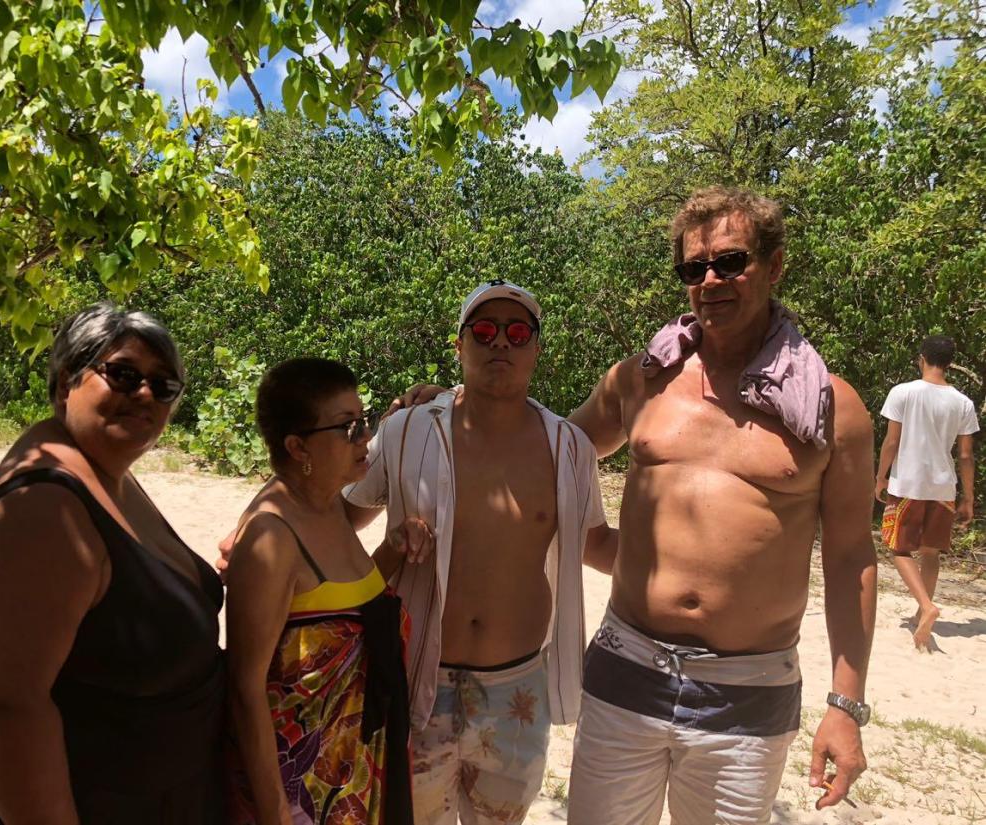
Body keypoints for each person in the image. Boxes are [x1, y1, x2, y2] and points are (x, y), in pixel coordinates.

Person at [563, 186, 878, 823]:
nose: (710, 280)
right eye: (694, 268)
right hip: (626, 668)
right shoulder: (639, 381)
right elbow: (552, 451)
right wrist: (456, 407)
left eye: (731, 262)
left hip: (748, 695)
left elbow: (850, 558)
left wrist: (845, 707)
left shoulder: (833, 409)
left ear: (774, 264)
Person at [0, 304, 226, 824]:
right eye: (123, 374)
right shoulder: (42, 508)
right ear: (66, 382)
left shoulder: (104, 471)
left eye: (164, 386)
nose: (145, 394)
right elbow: (1, 709)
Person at [343, 281, 617, 825]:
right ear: (460, 345)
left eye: (518, 332)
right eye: (485, 330)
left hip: (517, 691)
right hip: (417, 681)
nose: (501, 343)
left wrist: (688, 560)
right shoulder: (405, 431)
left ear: (536, 348)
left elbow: (596, 544)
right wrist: (272, 529)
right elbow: (336, 520)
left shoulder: (569, 449)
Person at [224, 358, 432, 825]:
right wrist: (275, 812)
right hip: (299, 790)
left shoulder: (327, 504)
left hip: (350, 773)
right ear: (298, 446)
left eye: (365, 420)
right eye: (348, 427)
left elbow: (349, 609)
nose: (365, 438)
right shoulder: (272, 537)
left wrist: (393, 548)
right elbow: (244, 687)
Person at [875, 335, 979, 650]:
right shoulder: (963, 402)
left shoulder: (903, 392)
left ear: (922, 359)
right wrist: (968, 497)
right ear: (949, 364)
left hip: (908, 483)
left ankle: (926, 606)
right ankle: (922, 611)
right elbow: (965, 455)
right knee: (930, 552)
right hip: (943, 486)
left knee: (899, 550)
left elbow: (892, 442)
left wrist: (880, 477)